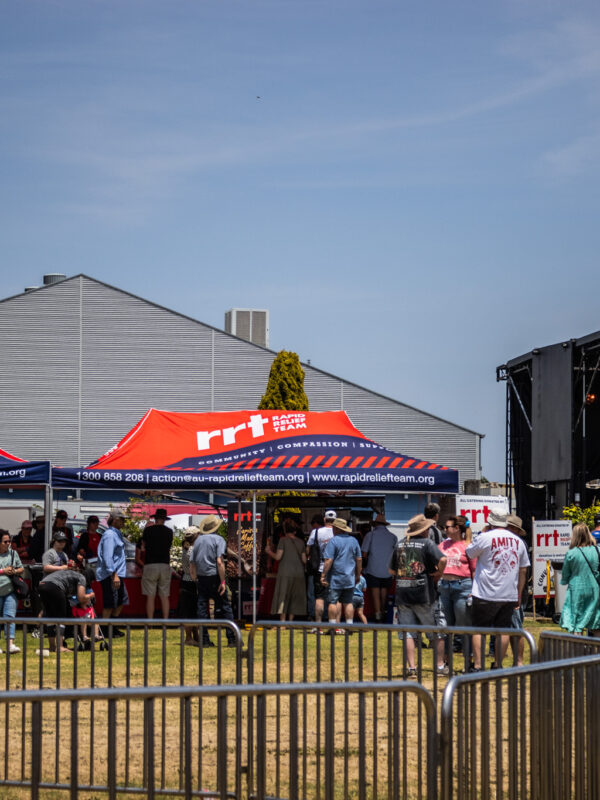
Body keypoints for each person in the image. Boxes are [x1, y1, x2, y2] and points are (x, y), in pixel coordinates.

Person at [466, 508, 530, 671]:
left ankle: (478, 665)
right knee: (503, 630)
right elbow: (523, 570)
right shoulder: (518, 541)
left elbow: (470, 553)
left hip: (485, 592)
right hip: (508, 593)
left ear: (490, 522)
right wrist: (518, 593)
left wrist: (481, 533)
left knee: (479, 630)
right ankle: (498, 664)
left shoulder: (485, 537)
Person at [389, 514, 447, 677]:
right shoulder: (427, 543)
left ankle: (412, 668)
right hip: (424, 594)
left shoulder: (401, 544)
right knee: (437, 630)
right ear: (423, 530)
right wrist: (439, 573)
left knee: (408, 632)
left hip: (403, 593)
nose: (429, 531)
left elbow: (391, 570)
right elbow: (443, 560)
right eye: (427, 528)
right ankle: (440, 666)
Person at [189, 515, 236, 648]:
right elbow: (219, 561)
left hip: (202, 578)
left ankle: (204, 640)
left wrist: (194, 578)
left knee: (202, 609)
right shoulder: (219, 539)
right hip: (215, 577)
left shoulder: (198, 541)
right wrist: (223, 582)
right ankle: (232, 638)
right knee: (225, 607)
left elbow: (192, 563)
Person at [438, 516, 476, 658]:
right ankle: (445, 660)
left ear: (457, 528)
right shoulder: (443, 545)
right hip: (444, 586)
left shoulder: (468, 546)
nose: (445, 529)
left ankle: (469, 658)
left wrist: (474, 590)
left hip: (463, 587)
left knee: (464, 624)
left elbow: (474, 570)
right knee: (445, 625)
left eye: (447, 527)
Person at [321, 517, 362, 632]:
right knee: (348, 602)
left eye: (334, 528)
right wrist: (358, 574)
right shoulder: (354, 541)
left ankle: (332, 627)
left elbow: (329, 560)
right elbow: (359, 559)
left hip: (335, 578)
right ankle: (349, 627)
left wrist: (323, 575)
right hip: (349, 578)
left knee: (332, 602)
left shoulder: (333, 541)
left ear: (337, 529)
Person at [559, 523, 600, 636]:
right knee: (596, 623)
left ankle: (579, 646)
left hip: (576, 590)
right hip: (594, 590)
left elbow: (565, 576)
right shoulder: (598, 550)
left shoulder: (571, 553)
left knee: (577, 623)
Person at [265, 519, 307, 623]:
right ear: (295, 531)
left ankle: (283, 621)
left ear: (284, 530)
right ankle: (291, 621)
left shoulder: (283, 540)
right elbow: (304, 560)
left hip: (285, 572)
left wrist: (269, 551)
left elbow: (278, 557)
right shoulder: (301, 542)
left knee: (283, 596)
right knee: (294, 597)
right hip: (299, 573)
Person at [38, 567, 89, 653]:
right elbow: (81, 597)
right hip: (55, 586)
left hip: (42, 585)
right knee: (61, 618)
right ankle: (60, 647)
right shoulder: (82, 577)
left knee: (50, 617)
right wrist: (90, 595)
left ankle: (52, 646)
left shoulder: (68, 574)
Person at [95, 509, 129, 637]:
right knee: (109, 603)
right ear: (115, 520)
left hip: (117, 574)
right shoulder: (110, 535)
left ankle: (112, 627)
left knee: (121, 600)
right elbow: (107, 556)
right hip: (111, 574)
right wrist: (113, 574)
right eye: (122, 520)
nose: (124, 522)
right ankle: (104, 630)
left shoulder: (116, 533)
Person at [361, 512, 397, 622]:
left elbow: (364, 554)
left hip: (373, 568)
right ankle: (383, 611)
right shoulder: (393, 537)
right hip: (387, 570)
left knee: (375, 591)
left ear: (375, 524)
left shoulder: (370, 535)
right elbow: (396, 554)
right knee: (384, 591)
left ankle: (377, 614)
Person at [139, 508, 173, 620]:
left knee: (150, 596)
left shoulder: (148, 531)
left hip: (150, 564)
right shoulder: (169, 532)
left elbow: (143, 547)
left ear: (155, 518)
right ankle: (165, 621)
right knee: (164, 596)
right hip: (164, 564)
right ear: (164, 519)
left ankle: (150, 622)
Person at [306, 510, 336, 627]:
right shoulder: (337, 532)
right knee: (334, 598)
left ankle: (318, 623)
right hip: (334, 569)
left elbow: (308, 549)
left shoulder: (316, 532)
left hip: (319, 568)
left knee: (319, 597)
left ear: (324, 519)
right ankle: (333, 623)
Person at [0, 530, 24, 653]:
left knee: (9, 616)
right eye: (5, 542)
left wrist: (14, 571)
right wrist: (3, 571)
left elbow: (21, 568)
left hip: (11, 590)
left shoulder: (13, 553)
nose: (8, 543)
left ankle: (10, 645)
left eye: (9, 541)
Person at [177, 526, 200, 646]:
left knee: (190, 610)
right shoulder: (193, 550)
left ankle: (194, 636)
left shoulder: (186, 549)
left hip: (185, 581)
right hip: (191, 581)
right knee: (190, 611)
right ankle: (189, 637)